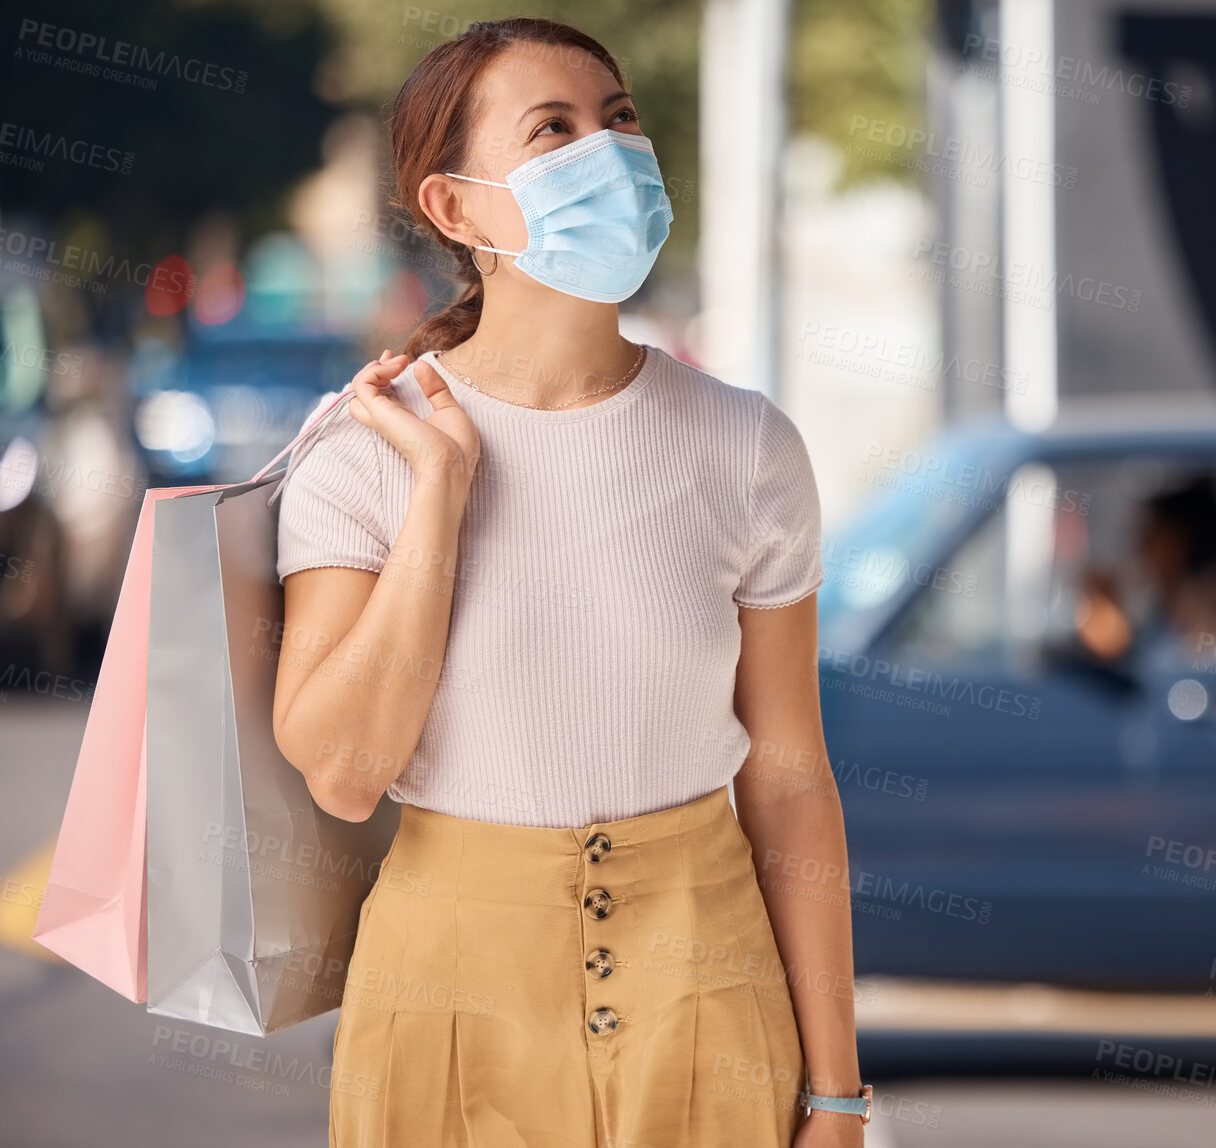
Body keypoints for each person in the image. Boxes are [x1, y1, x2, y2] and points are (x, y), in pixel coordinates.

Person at [269, 19, 867, 1147]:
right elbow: (346, 774)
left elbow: (791, 784)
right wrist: (441, 491)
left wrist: (836, 1090)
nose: (611, 152)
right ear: (454, 207)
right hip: (446, 1016)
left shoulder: (745, 447)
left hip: (709, 1003)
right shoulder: (361, 455)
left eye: (620, 119)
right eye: (554, 130)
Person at [1074, 476, 1216, 664]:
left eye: (1151, 529)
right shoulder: (1163, 597)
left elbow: (1199, 646)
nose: (1142, 543)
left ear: (1177, 536)